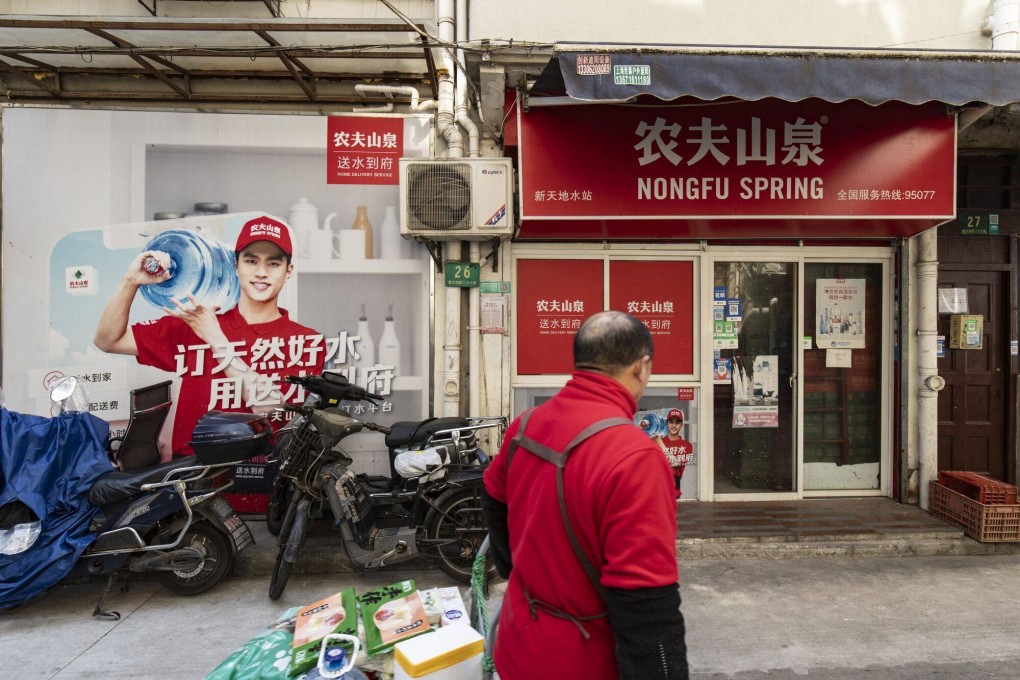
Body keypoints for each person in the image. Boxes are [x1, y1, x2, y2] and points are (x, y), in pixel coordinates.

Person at [481, 310, 689, 680]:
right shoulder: (635, 457)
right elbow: (647, 607)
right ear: (641, 367)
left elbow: (493, 498)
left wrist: (518, 571)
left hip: (516, 644)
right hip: (581, 662)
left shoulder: (526, 425)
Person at [93, 215, 325, 457]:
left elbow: (269, 406)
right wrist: (131, 281)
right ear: (236, 266)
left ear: (288, 271)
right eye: (251, 261)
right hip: (192, 479)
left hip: (256, 478)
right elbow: (108, 340)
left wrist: (213, 335)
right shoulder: (194, 321)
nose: (261, 272)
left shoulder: (304, 341)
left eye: (273, 264)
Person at [653, 408, 694, 497]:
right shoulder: (658, 441)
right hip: (657, 489)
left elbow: (676, 463)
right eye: (671, 422)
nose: (674, 426)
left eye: (677, 423)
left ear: (681, 425)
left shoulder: (686, 446)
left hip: (673, 491)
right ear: (667, 424)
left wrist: (660, 443)